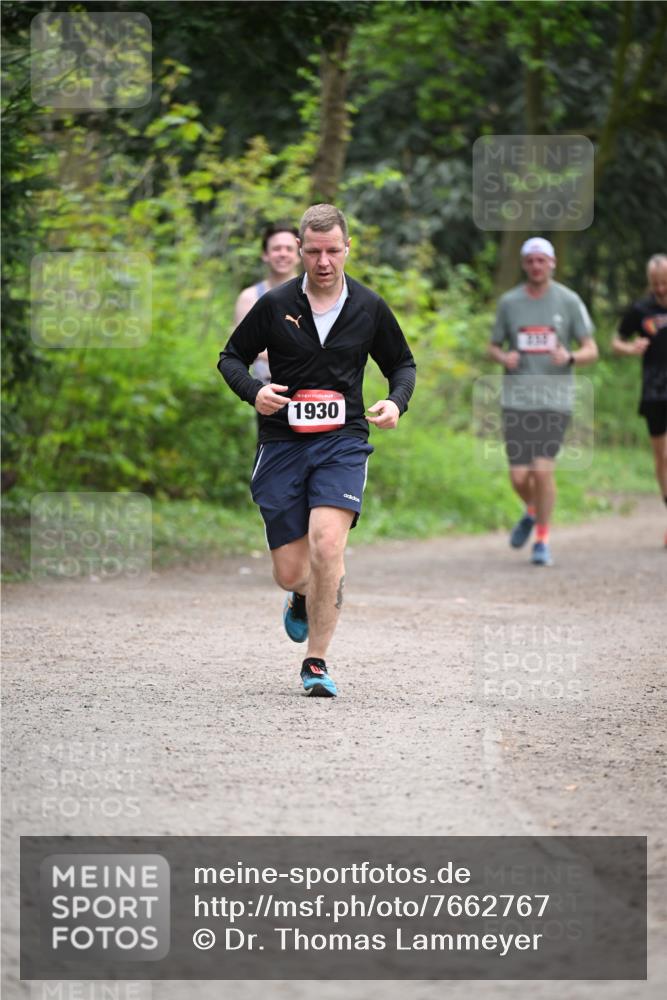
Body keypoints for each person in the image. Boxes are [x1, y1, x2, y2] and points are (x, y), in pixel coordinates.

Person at [218, 204, 416, 696]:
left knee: (328, 547)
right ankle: (303, 598)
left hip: (343, 441)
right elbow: (230, 358)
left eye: (333, 251)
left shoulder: (369, 306)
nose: (323, 261)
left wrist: (395, 402)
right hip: (283, 442)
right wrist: (254, 393)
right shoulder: (275, 303)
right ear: (301, 252)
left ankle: (316, 663)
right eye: (314, 251)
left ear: (347, 249)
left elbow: (403, 364)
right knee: (291, 572)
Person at [488, 237, 598, 566]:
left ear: (552, 263)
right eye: (531, 261)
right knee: (519, 477)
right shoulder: (510, 303)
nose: (537, 266)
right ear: (524, 265)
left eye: (542, 260)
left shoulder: (568, 300)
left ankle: (542, 539)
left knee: (542, 471)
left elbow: (592, 349)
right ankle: (533, 510)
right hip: (517, 398)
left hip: (555, 399)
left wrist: (571, 356)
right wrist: (503, 356)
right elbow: (493, 345)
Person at [613, 253, 667, 546]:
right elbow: (615, 342)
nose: (660, 289)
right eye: (656, 283)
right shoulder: (641, 309)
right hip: (654, 390)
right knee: (662, 457)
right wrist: (630, 348)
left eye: (665, 283)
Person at [233, 222, 300, 387]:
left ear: (299, 254)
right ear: (265, 254)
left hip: (311, 392)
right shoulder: (249, 298)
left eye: (289, 249)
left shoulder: (316, 294)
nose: (283, 254)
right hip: (267, 391)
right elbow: (240, 346)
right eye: (277, 248)